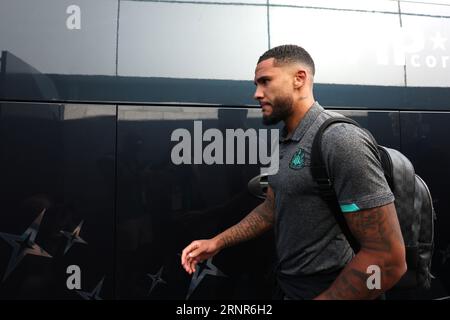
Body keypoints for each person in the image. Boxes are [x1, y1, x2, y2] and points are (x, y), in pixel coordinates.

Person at [181, 44, 406, 300]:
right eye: (256, 84)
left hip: (329, 287)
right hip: (287, 286)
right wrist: (217, 242)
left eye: (265, 82)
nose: (257, 94)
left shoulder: (340, 140)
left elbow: (388, 260)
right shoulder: (285, 141)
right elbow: (270, 209)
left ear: (299, 79)